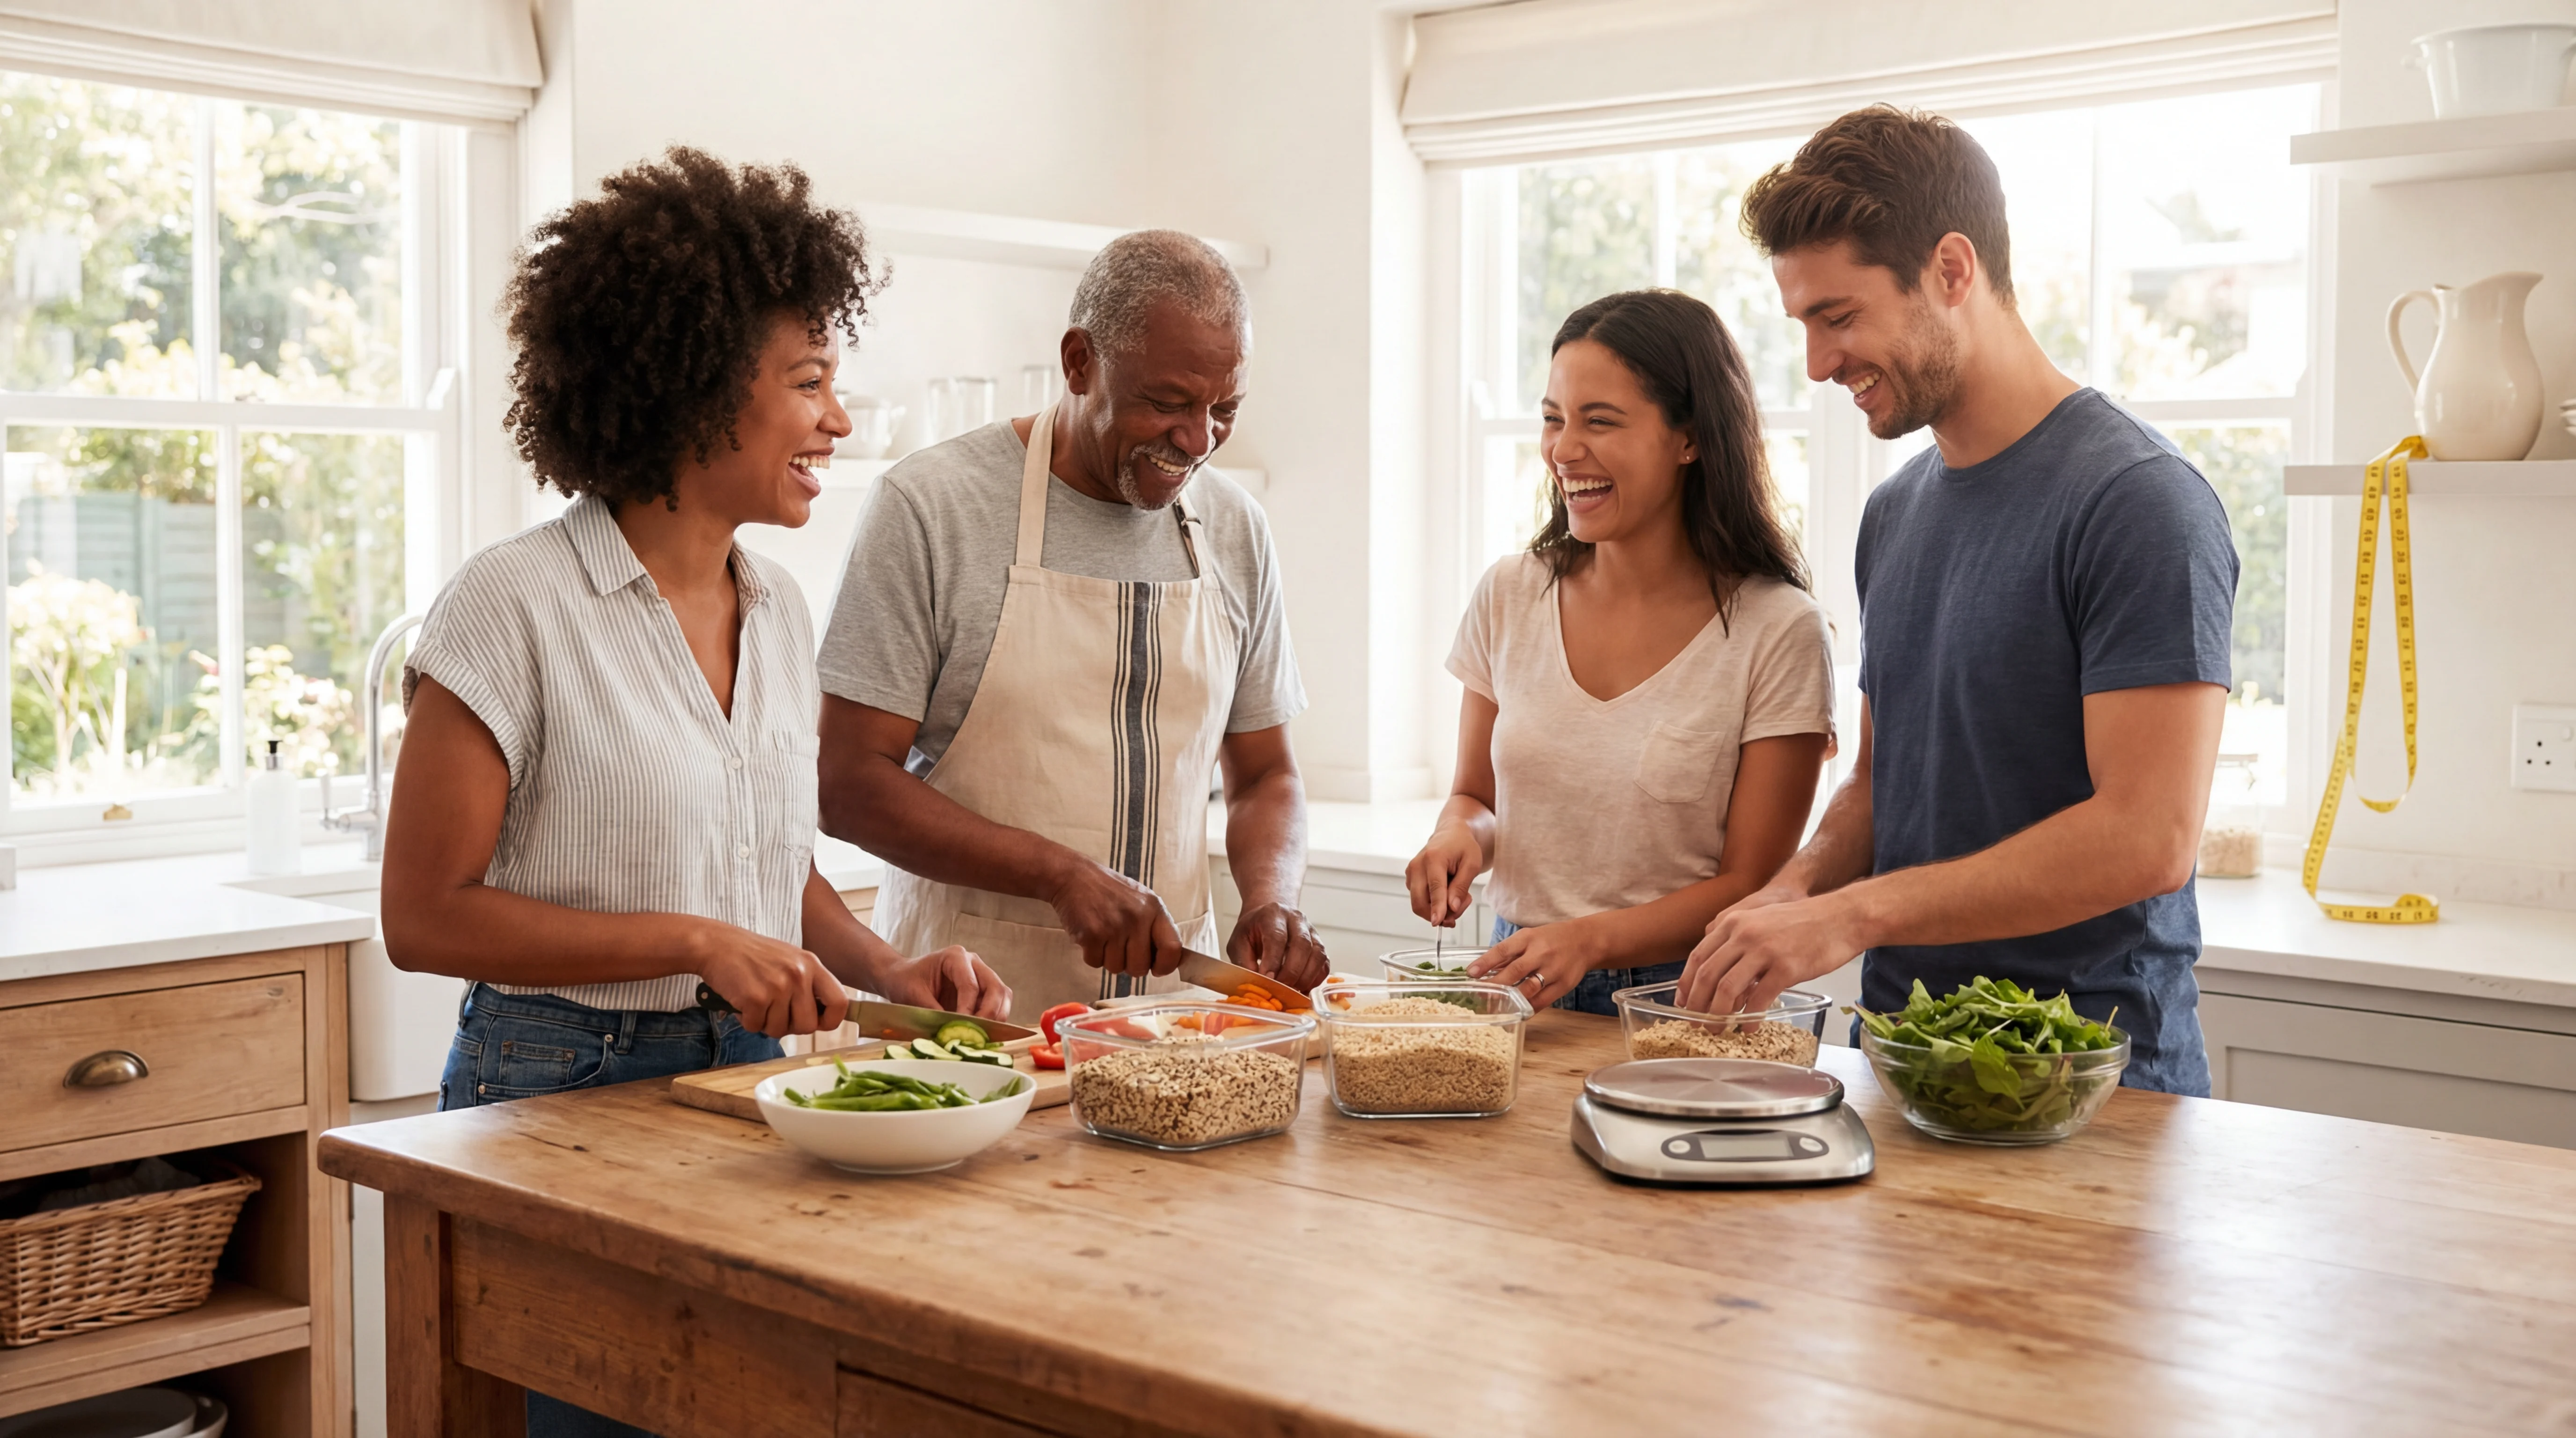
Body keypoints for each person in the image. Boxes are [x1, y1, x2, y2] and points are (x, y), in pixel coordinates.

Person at [1679, 106, 2237, 1095]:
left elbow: (2147, 838)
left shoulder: (2137, 502)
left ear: (1949, 270)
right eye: (1803, 323)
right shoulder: (1894, 515)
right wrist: (1791, 893)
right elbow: (1877, 783)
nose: (1815, 363)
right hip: (1904, 1068)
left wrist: (1852, 917)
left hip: (2092, 1085)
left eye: (1837, 316)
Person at [818, 231, 1323, 1013]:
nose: (1197, 442)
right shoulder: (931, 509)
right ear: (1079, 361)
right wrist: (1059, 874)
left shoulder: (1234, 528)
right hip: (971, 1021)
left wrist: (1271, 897)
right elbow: (846, 784)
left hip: (1170, 1024)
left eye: (1223, 409)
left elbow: (1265, 775)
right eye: (1166, 403)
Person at [1405, 290, 1834, 1014]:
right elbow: (1477, 795)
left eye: (1600, 422)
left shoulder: (1779, 629)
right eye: (1553, 419)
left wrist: (1590, 942)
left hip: (1683, 1000)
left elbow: (1751, 886)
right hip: (1520, 984)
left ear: (1689, 439)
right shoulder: (1512, 593)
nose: (1564, 450)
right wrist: (1457, 835)